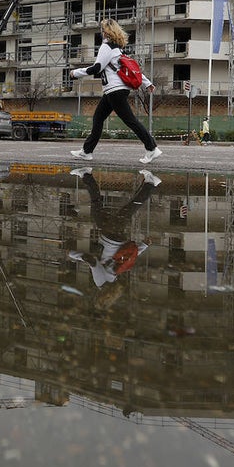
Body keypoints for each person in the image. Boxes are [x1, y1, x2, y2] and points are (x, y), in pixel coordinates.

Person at [70, 18, 162, 164]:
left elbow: (97, 68)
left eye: (101, 30)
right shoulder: (118, 49)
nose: (101, 33)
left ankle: (151, 148)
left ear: (105, 32)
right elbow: (132, 69)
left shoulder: (106, 47)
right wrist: (147, 83)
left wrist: (76, 73)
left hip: (115, 91)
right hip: (115, 91)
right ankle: (86, 152)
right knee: (98, 118)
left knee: (130, 120)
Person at [68, 167, 161, 300]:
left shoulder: (112, 280)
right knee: (126, 209)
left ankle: (86, 175)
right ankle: (150, 184)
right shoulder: (100, 282)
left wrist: (144, 245)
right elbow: (92, 261)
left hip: (115, 237)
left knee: (101, 208)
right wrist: (72, 255)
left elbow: (124, 257)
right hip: (110, 236)